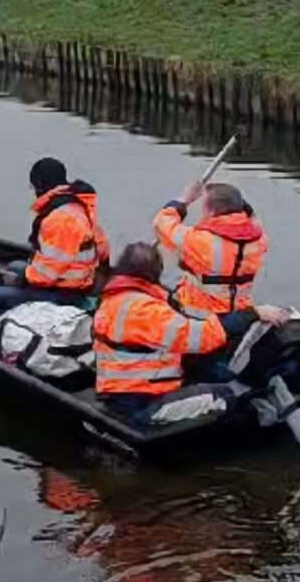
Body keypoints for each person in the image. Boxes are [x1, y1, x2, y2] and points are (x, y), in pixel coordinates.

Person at [93, 242, 287, 421]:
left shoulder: (112, 301)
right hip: (144, 404)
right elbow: (202, 338)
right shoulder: (147, 310)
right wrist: (252, 314)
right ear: (154, 274)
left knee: (209, 369)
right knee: (227, 394)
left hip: (121, 391)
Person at [0, 157, 110, 314]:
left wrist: (19, 280)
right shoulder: (78, 206)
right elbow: (103, 252)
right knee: (15, 265)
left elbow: (49, 274)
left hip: (65, 293)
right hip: (81, 282)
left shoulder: (57, 220)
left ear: (41, 186)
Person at [153, 180, 267, 321]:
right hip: (239, 314)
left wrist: (183, 200)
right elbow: (252, 217)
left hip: (200, 316)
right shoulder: (259, 238)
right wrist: (236, 202)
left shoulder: (200, 241)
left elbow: (162, 224)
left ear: (211, 211)